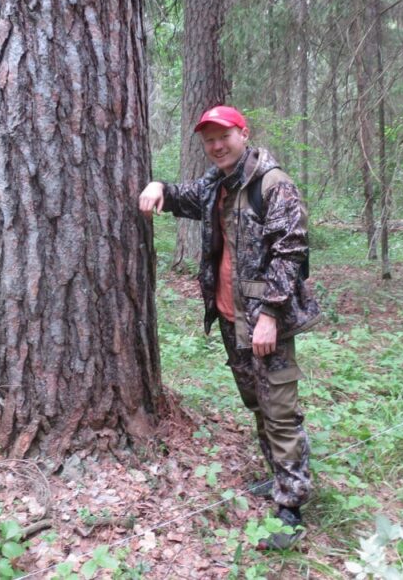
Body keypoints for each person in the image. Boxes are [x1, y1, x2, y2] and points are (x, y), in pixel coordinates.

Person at [138, 105, 321, 550]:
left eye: (224, 136)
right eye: (209, 140)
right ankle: (279, 477)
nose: (217, 146)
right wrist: (159, 185)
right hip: (229, 316)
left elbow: (291, 252)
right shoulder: (217, 183)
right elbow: (184, 198)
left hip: (263, 321)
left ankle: (292, 507)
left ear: (243, 133)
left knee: (279, 408)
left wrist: (271, 317)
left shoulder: (272, 184)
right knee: (258, 402)